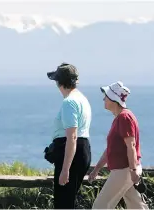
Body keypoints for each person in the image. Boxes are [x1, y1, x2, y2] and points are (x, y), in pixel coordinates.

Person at [89, 81, 149, 209]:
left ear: (113, 99)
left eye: (106, 96)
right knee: (136, 206)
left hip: (124, 171)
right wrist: (97, 168)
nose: (103, 98)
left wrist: (133, 171)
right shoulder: (120, 117)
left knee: (100, 206)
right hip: (126, 170)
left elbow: (131, 146)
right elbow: (110, 149)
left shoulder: (124, 117)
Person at [46, 63, 92, 209]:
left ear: (59, 82)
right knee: (70, 201)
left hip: (72, 152)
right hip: (83, 149)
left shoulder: (69, 102)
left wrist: (65, 169)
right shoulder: (82, 99)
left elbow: (72, 137)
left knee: (63, 203)